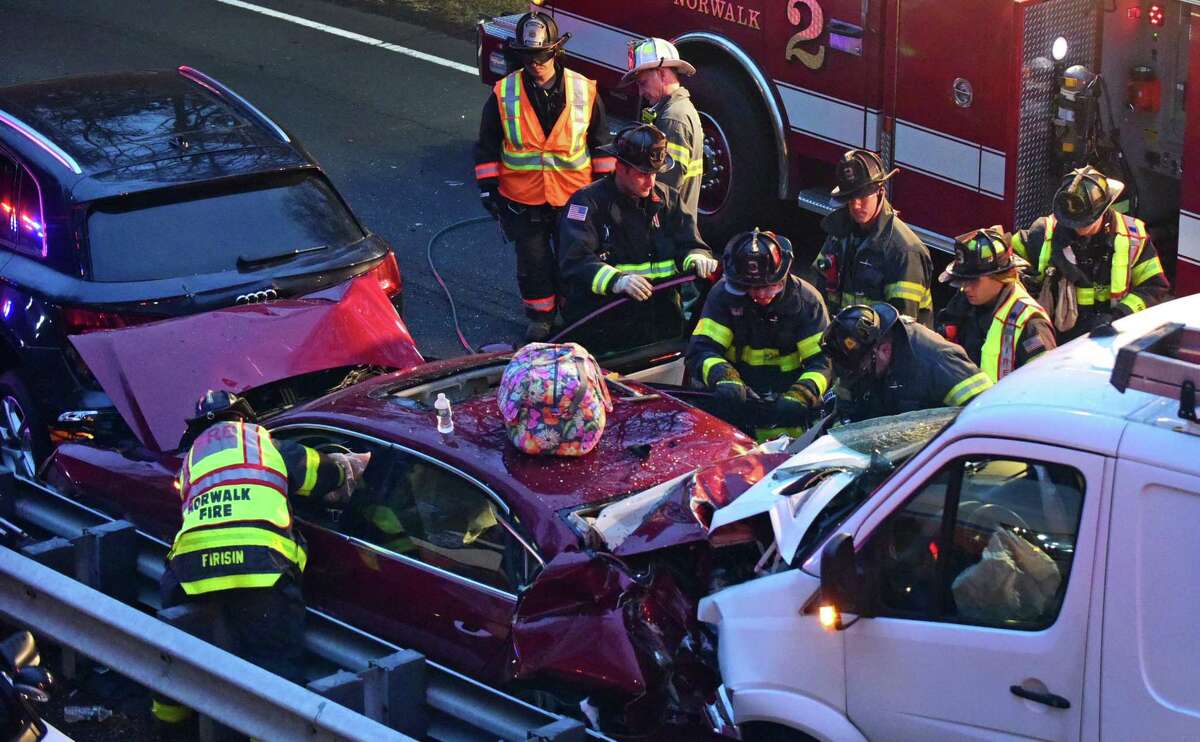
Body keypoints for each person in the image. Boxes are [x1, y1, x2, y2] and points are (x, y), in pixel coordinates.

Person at [152, 391, 370, 734]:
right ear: (244, 416)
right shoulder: (261, 442)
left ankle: (167, 729)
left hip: (190, 569)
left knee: (176, 654)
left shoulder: (191, 458)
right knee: (273, 668)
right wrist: (347, 471)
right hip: (259, 567)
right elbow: (321, 475)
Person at [474, 12, 616, 342]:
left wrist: (605, 195)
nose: (536, 63)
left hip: (574, 197)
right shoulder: (503, 93)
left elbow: (602, 145)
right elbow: (487, 145)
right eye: (529, 57)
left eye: (542, 56)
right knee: (533, 261)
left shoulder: (584, 90)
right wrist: (487, 188)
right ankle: (540, 317)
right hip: (523, 198)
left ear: (555, 52)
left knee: (575, 256)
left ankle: (573, 311)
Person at [557, 123, 718, 355]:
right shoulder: (587, 203)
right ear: (621, 167)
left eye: (654, 173)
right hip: (606, 324)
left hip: (661, 323)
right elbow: (574, 261)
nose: (651, 182)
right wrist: (616, 281)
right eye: (643, 174)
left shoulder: (667, 199)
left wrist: (697, 257)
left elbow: (690, 243)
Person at [687, 228, 831, 439]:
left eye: (771, 286)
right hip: (736, 409)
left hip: (788, 412)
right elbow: (701, 350)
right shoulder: (723, 297)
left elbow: (823, 361)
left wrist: (803, 393)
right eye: (753, 288)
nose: (763, 295)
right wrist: (724, 377)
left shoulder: (807, 302)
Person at [1012, 165, 1170, 342]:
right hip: (1058, 339)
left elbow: (1154, 287)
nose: (1077, 229)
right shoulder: (1044, 233)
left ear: (1103, 210)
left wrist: (1119, 315)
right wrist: (1028, 282)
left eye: (1084, 224)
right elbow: (1010, 259)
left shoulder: (1133, 238)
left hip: (1109, 336)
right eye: (1071, 222)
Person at [811, 150, 934, 325]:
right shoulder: (839, 235)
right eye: (850, 198)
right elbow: (821, 292)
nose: (856, 205)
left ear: (880, 191)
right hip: (847, 340)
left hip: (886, 347)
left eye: (862, 196)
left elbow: (902, 328)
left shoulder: (905, 251)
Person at [822, 303, 993, 424]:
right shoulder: (859, 360)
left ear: (885, 350)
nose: (858, 375)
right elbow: (846, 411)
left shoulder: (935, 360)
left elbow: (986, 412)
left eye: (862, 369)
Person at [936, 227, 1057, 383]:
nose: (966, 287)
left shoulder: (1030, 324)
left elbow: (1045, 386)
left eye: (974, 280)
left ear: (1000, 277)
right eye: (962, 280)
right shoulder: (964, 304)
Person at [622, 37, 703, 216]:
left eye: (643, 83)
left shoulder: (673, 119)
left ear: (662, 73)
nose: (641, 92)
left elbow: (663, 187)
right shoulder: (676, 111)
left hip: (668, 230)